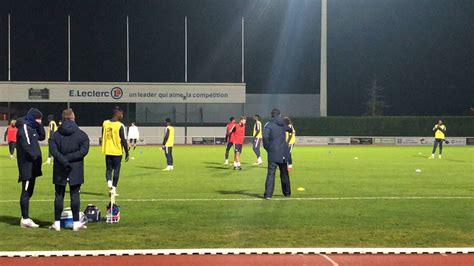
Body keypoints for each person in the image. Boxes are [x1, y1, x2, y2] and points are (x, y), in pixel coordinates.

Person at [48, 109, 89, 231]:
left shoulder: (55, 135)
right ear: (73, 118)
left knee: (59, 195)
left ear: (62, 119)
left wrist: (63, 159)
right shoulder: (82, 135)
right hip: (75, 168)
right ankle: (76, 223)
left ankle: (56, 224)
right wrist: (70, 159)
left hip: (60, 167)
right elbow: (84, 151)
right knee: (75, 194)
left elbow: (53, 151)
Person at [16, 108, 45, 228]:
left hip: (33, 166)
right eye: (38, 119)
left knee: (30, 191)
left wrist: (39, 125)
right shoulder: (24, 128)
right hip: (27, 166)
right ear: (32, 118)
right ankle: (25, 219)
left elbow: (42, 136)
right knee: (26, 191)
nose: (39, 121)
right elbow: (27, 147)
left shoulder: (32, 127)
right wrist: (35, 157)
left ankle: (26, 218)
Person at [262, 109, 291, 200]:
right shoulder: (283, 124)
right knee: (284, 173)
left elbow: (265, 138)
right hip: (283, 152)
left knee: (271, 173)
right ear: (280, 115)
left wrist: (268, 148)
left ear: (271, 115)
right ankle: (287, 193)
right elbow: (290, 129)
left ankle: (268, 194)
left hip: (273, 152)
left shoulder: (268, 125)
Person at [102, 107, 129, 197]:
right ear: (117, 114)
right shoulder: (120, 125)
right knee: (116, 170)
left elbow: (103, 135)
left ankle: (109, 183)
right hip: (117, 151)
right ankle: (113, 189)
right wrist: (127, 153)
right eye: (121, 114)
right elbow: (123, 140)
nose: (122, 116)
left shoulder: (105, 123)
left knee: (108, 169)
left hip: (107, 150)